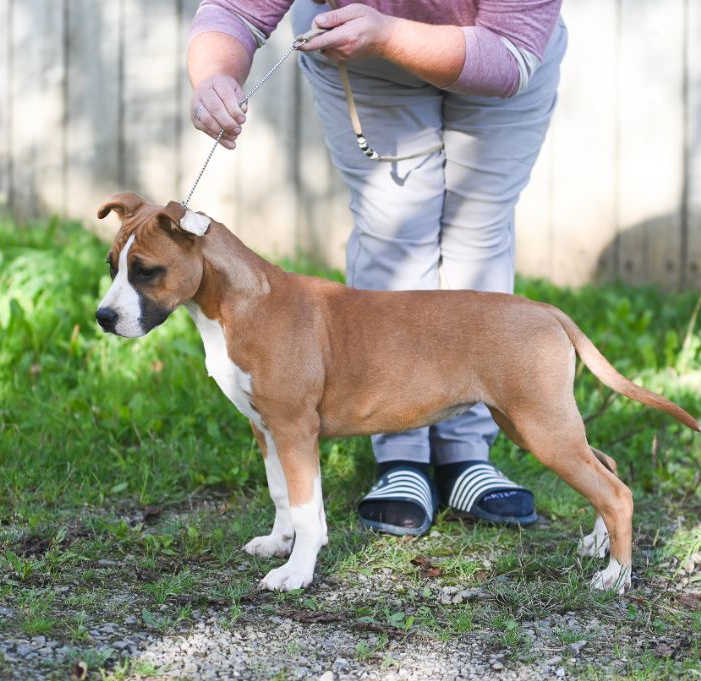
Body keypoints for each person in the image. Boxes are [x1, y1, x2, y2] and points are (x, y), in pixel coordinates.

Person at [187, 0, 566, 536]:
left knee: (477, 236)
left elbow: (507, 58)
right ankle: (402, 459)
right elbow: (233, 10)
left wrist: (389, 32)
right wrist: (214, 78)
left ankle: (465, 453)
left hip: (496, 51)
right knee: (395, 236)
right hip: (363, 61)